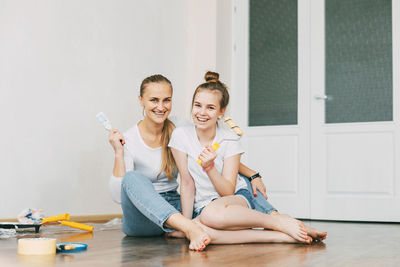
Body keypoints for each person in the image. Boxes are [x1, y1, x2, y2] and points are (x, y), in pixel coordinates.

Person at [107, 74, 286, 251]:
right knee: (132, 178)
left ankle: (274, 216)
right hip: (143, 216)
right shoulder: (129, 139)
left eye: (166, 100)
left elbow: (214, 157)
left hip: (174, 207)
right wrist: (118, 153)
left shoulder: (179, 128)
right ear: (141, 101)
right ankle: (190, 228)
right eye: (154, 100)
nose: (161, 107)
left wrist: (253, 174)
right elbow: (118, 195)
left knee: (239, 180)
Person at [169, 71, 327, 244]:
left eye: (210, 108)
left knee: (211, 215)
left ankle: (277, 221)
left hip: (235, 199)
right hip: (203, 207)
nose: (202, 112)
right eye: (197, 105)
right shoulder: (180, 135)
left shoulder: (229, 139)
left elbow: (227, 191)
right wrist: (185, 226)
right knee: (201, 229)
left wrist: (210, 168)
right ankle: (281, 235)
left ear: (221, 112)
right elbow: (186, 182)